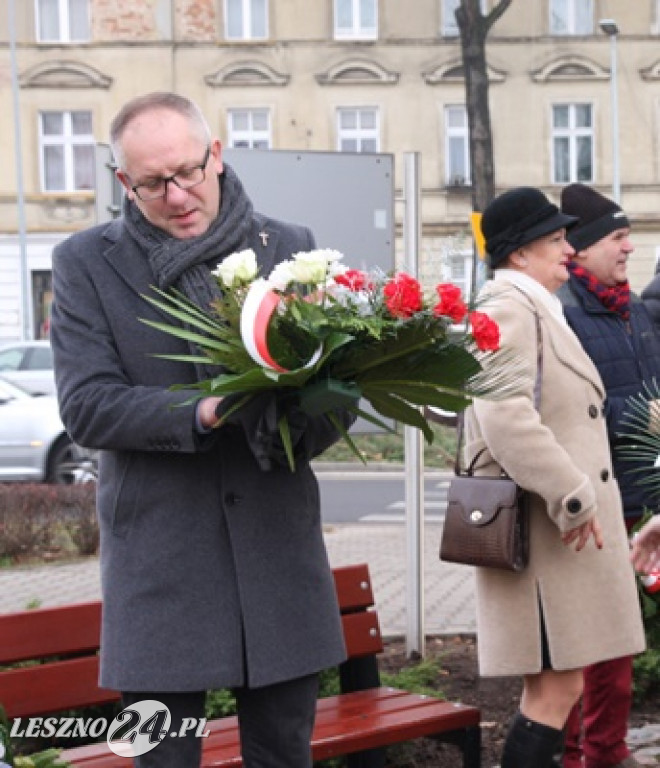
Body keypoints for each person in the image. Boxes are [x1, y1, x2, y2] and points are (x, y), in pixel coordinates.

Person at [49, 92, 354, 768]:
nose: (178, 194)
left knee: (282, 755)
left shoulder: (293, 250)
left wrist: (312, 411)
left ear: (217, 155)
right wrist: (203, 411)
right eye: (153, 183)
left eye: (188, 171)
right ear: (124, 184)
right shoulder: (84, 263)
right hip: (161, 565)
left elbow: (336, 397)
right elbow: (89, 405)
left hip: (277, 555)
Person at [465, 186, 646, 768]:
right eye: (556, 239)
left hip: (552, 540)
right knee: (553, 693)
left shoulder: (535, 306)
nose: (569, 248)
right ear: (520, 252)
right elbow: (503, 416)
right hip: (543, 537)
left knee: (555, 691)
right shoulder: (509, 309)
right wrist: (574, 497)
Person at [557, 183, 660, 768]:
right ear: (587, 246)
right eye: (619, 237)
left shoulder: (636, 312)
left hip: (637, 502)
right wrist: (638, 414)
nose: (629, 247)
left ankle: (607, 752)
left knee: (618, 650)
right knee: (582, 649)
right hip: (587, 507)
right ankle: (573, 754)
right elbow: (569, 409)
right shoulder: (566, 313)